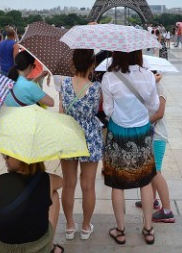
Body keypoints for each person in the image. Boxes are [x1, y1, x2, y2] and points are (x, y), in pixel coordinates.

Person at [101, 50, 159, 245]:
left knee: (118, 182)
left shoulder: (109, 77)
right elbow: (154, 106)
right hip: (142, 131)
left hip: (118, 132)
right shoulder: (149, 75)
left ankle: (120, 229)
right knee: (145, 180)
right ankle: (148, 228)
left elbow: (108, 110)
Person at [59, 49, 103, 241]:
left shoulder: (65, 84)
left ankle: (69, 226)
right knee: (88, 186)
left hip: (68, 133)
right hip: (90, 136)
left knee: (68, 184)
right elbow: (99, 111)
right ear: (92, 64)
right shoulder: (95, 88)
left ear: (73, 63)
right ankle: (86, 227)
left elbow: (61, 112)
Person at [0, 155, 64, 253]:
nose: (5, 159)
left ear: (21, 159)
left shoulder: (2, 179)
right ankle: (50, 246)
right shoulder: (47, 179)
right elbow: (61, 182)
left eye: (8, 157)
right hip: (36, 248)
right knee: (53, 194)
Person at [135, 76, 175, 224]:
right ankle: (152, 201)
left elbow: (159, 113)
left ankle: (167, 211)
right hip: (149, 135)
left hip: (157, 136)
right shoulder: (147, 87)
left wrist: (141, 123)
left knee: (155, 171)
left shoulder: (158, 88)